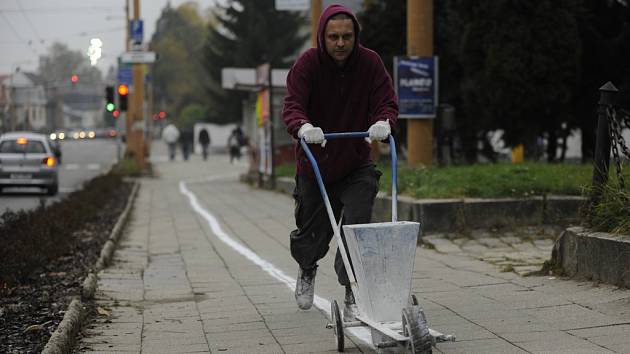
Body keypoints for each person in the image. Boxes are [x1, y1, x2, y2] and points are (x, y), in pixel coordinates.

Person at [282, 4, 398, 320]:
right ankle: (307, 267)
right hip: (316, 165)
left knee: (357, 225)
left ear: (355, 36)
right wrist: (304, 127)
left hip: (356, 162)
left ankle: (352, 292)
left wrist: (384, 122)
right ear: (323, 36)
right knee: (312, 235)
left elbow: (386, 101)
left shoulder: (370, 63)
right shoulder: (307, 65)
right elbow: (292, 105)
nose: (341, 43)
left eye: (347, 36)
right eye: (334, 37)